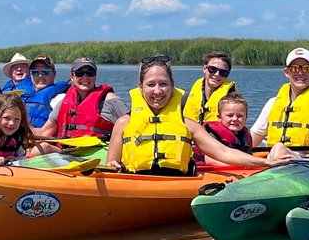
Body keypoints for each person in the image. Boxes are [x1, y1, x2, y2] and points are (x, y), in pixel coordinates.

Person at [105, 56, 289, 174]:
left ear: (172, 85)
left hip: (178, 183)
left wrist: (266, 163)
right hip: (136, 182)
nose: (158, 91)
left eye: (163, 84)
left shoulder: (189, 125)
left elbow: (223, 152)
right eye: (151, 84)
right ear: (140, 87)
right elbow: (111, 163)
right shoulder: (123, 123)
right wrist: (113, 166)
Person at [250, 47, 309, 154]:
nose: (300, 73)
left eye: (306, 68)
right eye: (294, 68)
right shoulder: (272, 103)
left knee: (279, 149)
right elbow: (252, 139)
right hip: (273, 161)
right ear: (286, 72)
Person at [37, 57, 127, 140]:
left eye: (90, 73)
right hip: (67, 150)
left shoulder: (109, 99)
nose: (85, 77)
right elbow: (45, 132)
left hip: (99, 150)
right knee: (40, 149)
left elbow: (133, 124)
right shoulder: (63, 103)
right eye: (79, 73)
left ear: (95, 76)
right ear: (72, 77)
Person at [181, 51, 238, 124]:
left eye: (223, 72)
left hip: (215, 134)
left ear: (227, 75)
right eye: (212, 69)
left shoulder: (232, 98)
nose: (217, 74)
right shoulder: (186, 97)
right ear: (204, 68)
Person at [196, 93, 253, 161]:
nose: (235, 119)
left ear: (246, 117)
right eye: (230, 115)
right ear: (219, 117)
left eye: (239, 116)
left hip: (239, 167)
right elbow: (209, 159)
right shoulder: (211, 135)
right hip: (210, 168)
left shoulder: (244, 134)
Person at [16, 55, 69, 127]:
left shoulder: (59, 98)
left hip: (41, 136)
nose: (40, 76)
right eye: (35, 72)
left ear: (54, 74)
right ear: (30, 75)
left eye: (45, 72)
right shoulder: (22, 95)